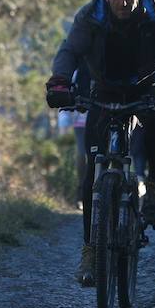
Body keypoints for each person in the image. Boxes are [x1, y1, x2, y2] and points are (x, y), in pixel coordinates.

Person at [45, 0, 155, 286]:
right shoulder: (91, 15)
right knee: (93, 166)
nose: (122, 1)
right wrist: (59, 82)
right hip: (106, 86)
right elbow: (70, 50)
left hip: (147, 82)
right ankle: (90, 250)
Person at [56, 59, 92, 209]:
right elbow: (66, 93)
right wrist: (64, 124)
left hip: (105, 115)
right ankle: (82, 191)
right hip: (82, 121)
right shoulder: (78, 68)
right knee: (83, 155)